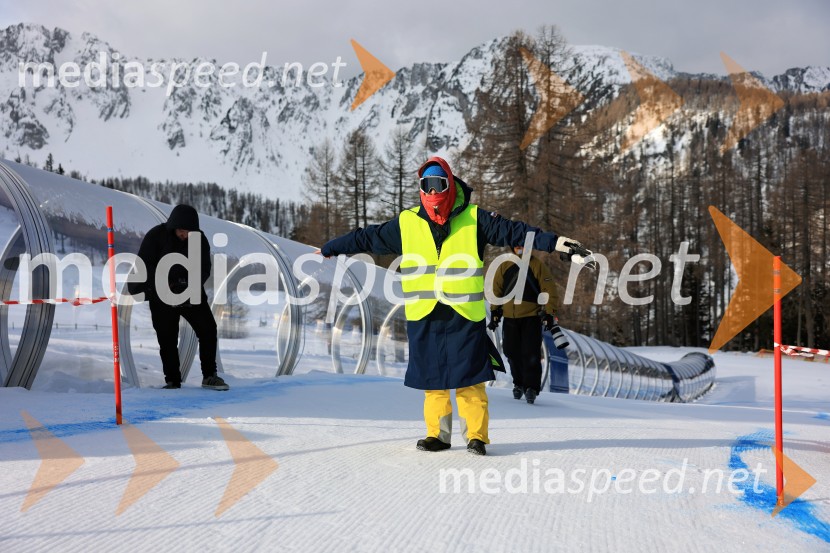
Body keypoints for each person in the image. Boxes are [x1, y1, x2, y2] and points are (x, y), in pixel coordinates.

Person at [319, 156, 587, 455]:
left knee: (469, 378)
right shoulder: (407, 223)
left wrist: (558, 242)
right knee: (433, 380)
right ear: (420, 189)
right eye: (426, 185)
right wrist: (333, 247)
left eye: (439, 184)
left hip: (463, 313)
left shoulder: (474, 219)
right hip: (425, 313)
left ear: (450, 184)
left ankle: (476, 436)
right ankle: (438, 435)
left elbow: (515, 231)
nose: (433, 192)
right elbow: (367, 237)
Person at [129, 204, 229, 391]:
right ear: (173, 226)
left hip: (189, 293)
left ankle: (209, 376)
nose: (185, 235)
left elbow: (203, 269)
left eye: (189, 231)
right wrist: (163, 282)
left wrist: (187, 284)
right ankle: (172, 380)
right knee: (167, 338)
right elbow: (143, 265)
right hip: (162, 294)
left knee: (208, 330)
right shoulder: (156, 236)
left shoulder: (199, 240)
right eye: (182, 231)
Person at [489, 245, 568, 405]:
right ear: (512, 247)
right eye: (517, 245)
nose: (520, 248)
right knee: (511, 352)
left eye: (523, 245)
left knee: (530, 353)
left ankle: (531, 387)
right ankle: (518, 382)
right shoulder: (505, 264)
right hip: (510, 317)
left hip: (531, 317)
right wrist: (495, 311)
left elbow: (549, 289)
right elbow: (496, 289)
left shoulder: (537, 265)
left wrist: (549, 312)